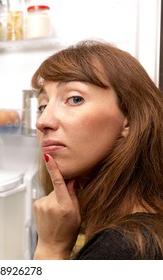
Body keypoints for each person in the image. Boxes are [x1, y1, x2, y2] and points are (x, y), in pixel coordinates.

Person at [31, 40, 163, 260]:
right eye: (43, 106)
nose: (43, 121)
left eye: (74, 99)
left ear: (129, 119)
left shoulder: (126, 248)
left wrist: (50, 248)